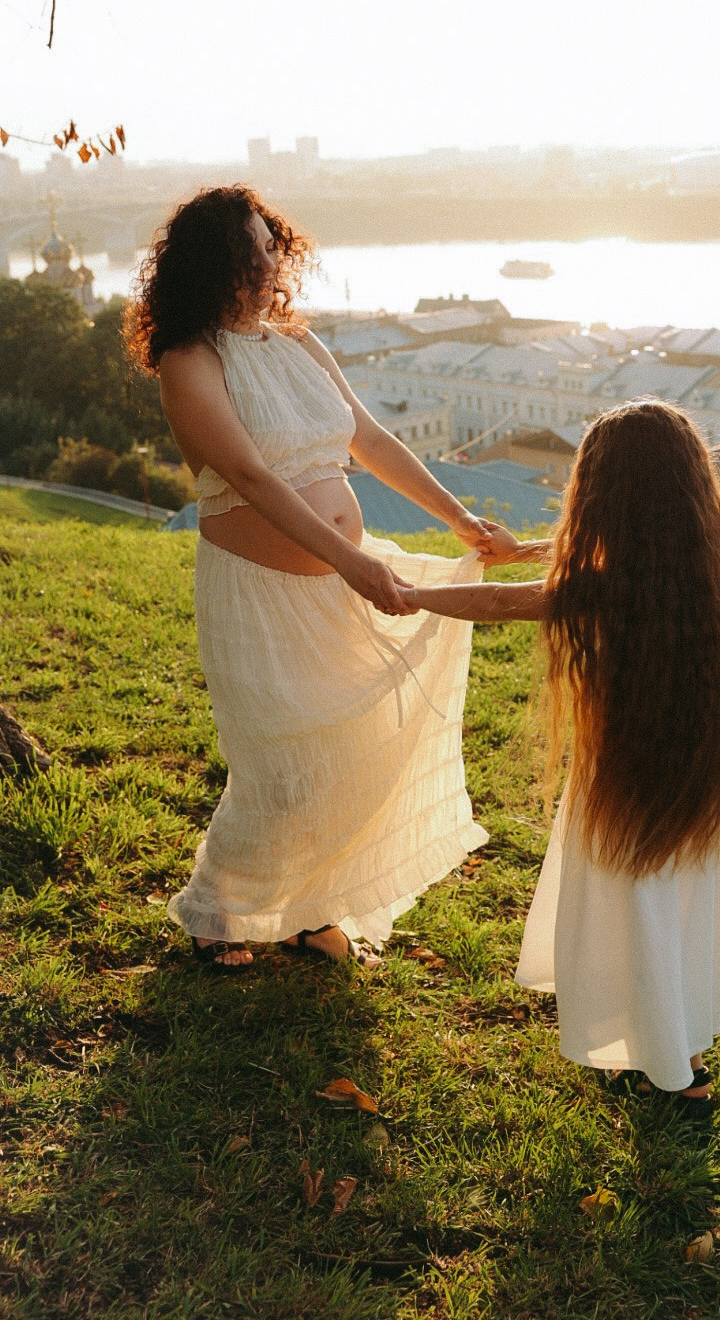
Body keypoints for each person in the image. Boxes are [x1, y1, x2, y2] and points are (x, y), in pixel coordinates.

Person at [124, 185, 516, 969]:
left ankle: (309, 911)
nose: (270, 262)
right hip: (260, 590)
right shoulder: (187, 359)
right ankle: (219, 912)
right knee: (279, 764)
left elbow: (369, 440)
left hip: (336, 582)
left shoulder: (297, 344)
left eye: (273, 245)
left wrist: (461, 520)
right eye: (252, 250)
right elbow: (248, 475)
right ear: (214, 263)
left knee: (347, 751)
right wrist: (354, 561)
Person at [398, 400, 720, 1106]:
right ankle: (677, 1045)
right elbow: (603, 553)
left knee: (639, 908)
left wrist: (405, 592)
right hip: (692, 776)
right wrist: (528, 548)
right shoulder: (704, 565)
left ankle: (671, 1067)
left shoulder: (602, 587)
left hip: (626, 779)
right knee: (678, 908)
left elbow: (508, 604)